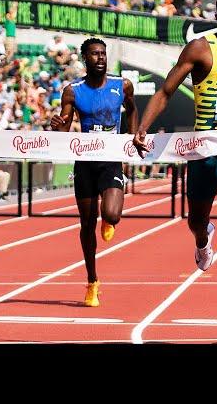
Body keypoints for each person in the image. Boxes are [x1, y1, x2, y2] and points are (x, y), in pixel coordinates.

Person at [133, 0, 217, 314]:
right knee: (196, 220)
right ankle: (202, 237)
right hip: (202, 148)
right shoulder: (200, 50)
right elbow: (166, 91)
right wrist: (144, 127)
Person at [50, 38, 138, 307]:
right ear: (85, 59)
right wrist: (57, 125)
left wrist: (132, 138)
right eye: (94, 55)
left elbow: (133, 110)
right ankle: (92, 282)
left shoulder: (121, 85)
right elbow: (63, 130)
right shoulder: (72, 91)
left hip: (111, 159)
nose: (100, 58)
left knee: (112, 214)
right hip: (85, 163)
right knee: (86, 224)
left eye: (103, 54)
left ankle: (108, 219)